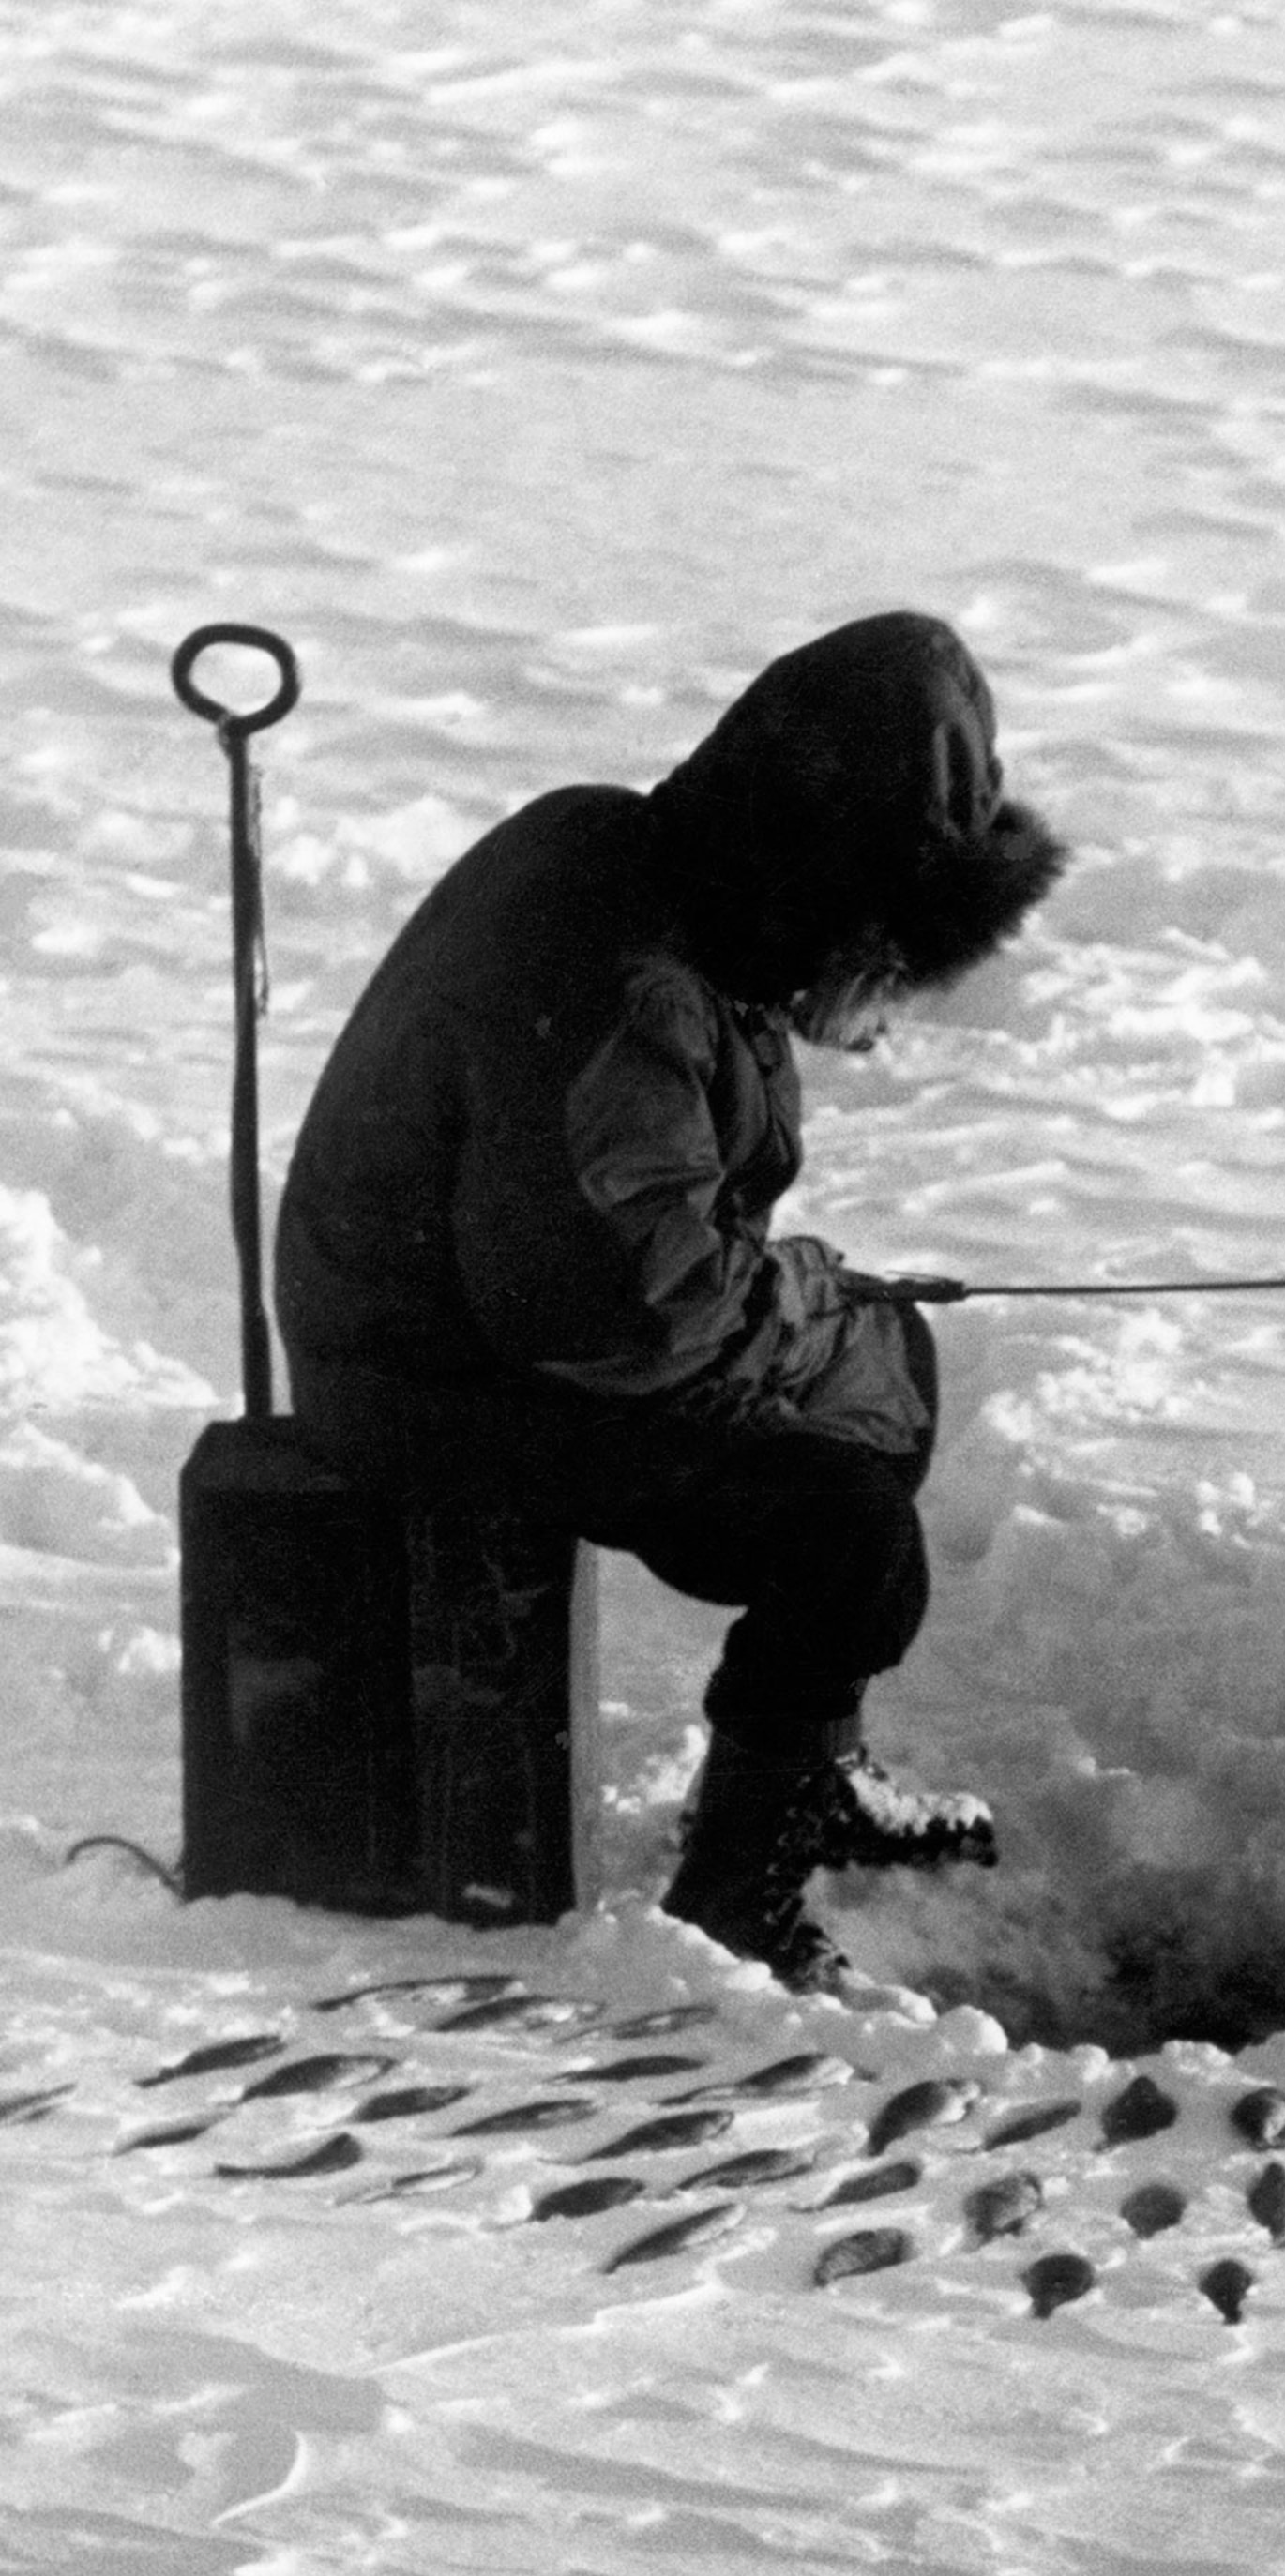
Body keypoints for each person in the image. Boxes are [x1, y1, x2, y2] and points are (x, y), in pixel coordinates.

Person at [274, 610, 1066, 1988]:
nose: (884, 1002)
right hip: (424, 1371)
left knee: (887, 1372)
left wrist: (818, 1313)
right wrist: (808, 1302)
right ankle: (734, 1903)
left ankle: (802, 1760)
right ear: (830, 893)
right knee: (845, 1533)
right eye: (884, 956)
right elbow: (621, 1314)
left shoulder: (676, 889)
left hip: (494, 1321)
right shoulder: (621, 973)